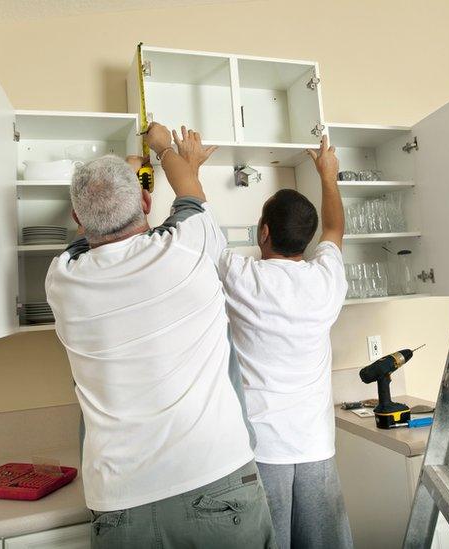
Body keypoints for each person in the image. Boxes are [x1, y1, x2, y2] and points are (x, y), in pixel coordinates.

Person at [45, 123, 276, 548]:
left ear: (78, 218)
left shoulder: (62, 281)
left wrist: (130, 170)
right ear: (147, 201)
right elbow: (189, 190)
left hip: (119, 503)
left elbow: (86, 242)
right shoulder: (188, 247)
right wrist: (164, 147)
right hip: (216, 481)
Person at [218, 135, 353, 549]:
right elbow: (334, 227)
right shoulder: (326, 278)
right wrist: (328, 176)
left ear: (263, 233)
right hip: (316, 446)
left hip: (261, 449)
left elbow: (200, 232)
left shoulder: (242, 277)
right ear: (307, 240)